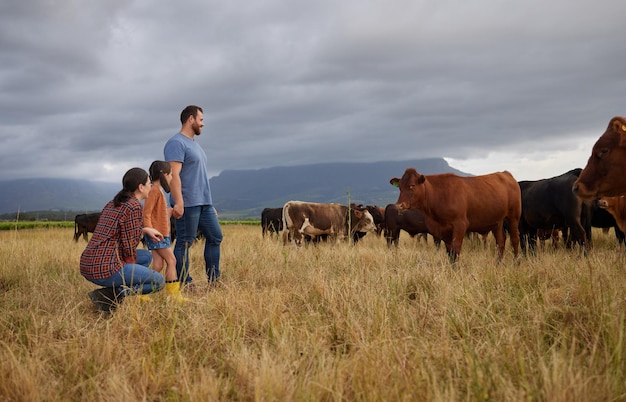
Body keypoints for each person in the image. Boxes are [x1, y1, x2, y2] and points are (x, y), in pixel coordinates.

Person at [80, 167, 166, 314]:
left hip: (89, 263)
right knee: (158, 282)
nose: (151, 186)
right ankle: (113, 295)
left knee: (146, 256)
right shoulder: (133, 206)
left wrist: (145, 230)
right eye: (149, 183)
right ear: (140, 187)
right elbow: (129, 247)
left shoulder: (114, 203)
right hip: (105, 267)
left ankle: (112, 291)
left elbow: (118, 231)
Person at [164, 105, 223, 286]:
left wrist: (209, 203)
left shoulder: (195, 146)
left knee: (215, 237)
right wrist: (179, 202)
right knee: (185, 242)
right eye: (201, 119)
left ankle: (214, 281)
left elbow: (199, 177)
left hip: (203, 202)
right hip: (187, 203)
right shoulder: (176, 143)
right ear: (191, 119)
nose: (202, 124)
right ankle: (185, 283)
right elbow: (173, 176)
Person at [144, 160, 190, 302]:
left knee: (158, 265)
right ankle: (174, 296)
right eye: (170, 174)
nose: (171, 178)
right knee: (172, 261)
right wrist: (150, 231)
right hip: (158, 235)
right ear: (164, 175)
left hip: (158, 234)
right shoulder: (155, 191)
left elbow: (157, 213)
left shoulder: (158, 191)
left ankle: (142, 293)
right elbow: (146, 213)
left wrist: (170, 211)